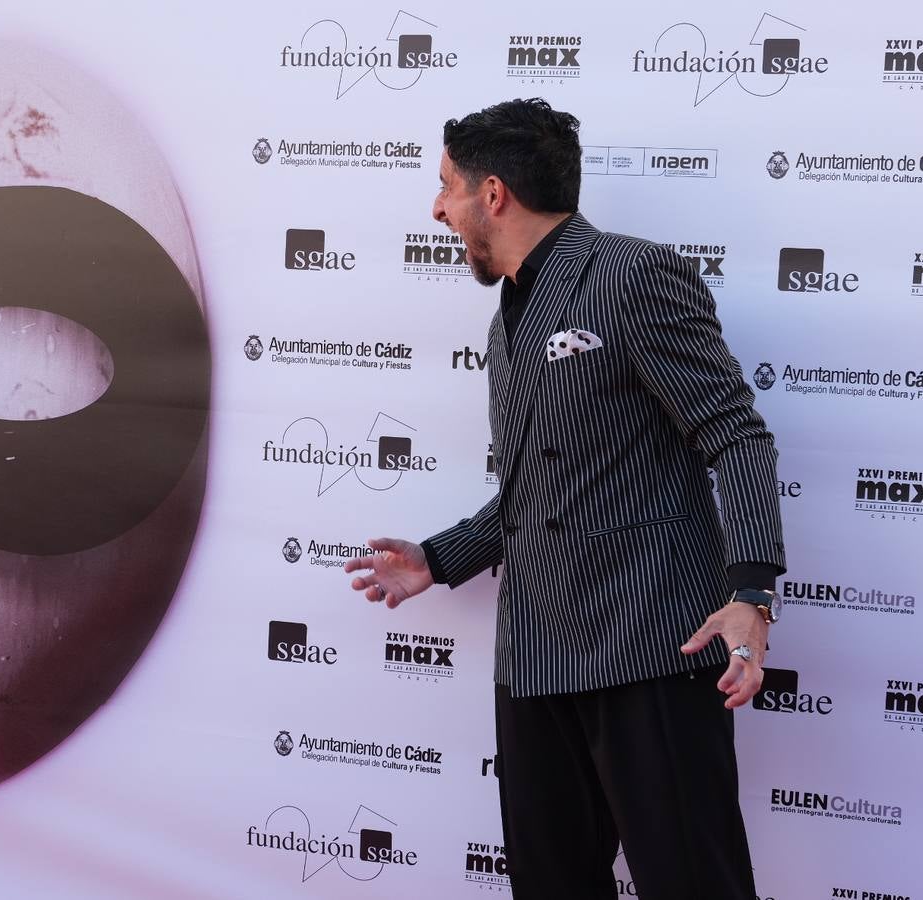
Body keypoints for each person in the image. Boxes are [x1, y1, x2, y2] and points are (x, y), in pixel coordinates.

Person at [343, 99, 786, 900]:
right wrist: (438, 560)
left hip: (653, 643)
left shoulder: (632, 274)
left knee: (694, 884)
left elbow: (737, 435)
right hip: (536, 654)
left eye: (445, 187)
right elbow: (540, 487)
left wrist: (752, 590)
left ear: (495, 193)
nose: (436, 209)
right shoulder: (504, 316)